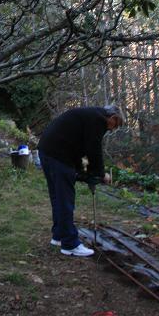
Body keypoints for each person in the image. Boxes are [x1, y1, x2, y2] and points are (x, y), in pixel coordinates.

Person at [38, 105, 123, 257]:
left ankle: (59, 236)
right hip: (57, 155)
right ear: (113, 118)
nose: (111, 130)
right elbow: (94, 149)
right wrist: (100, 173)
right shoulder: (98, 120)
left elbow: (77, 146)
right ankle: (70, 244)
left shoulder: (90, 115)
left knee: (58, 197)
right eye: (114, 126)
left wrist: (81, 170)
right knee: (65, 199)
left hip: (47, 151)